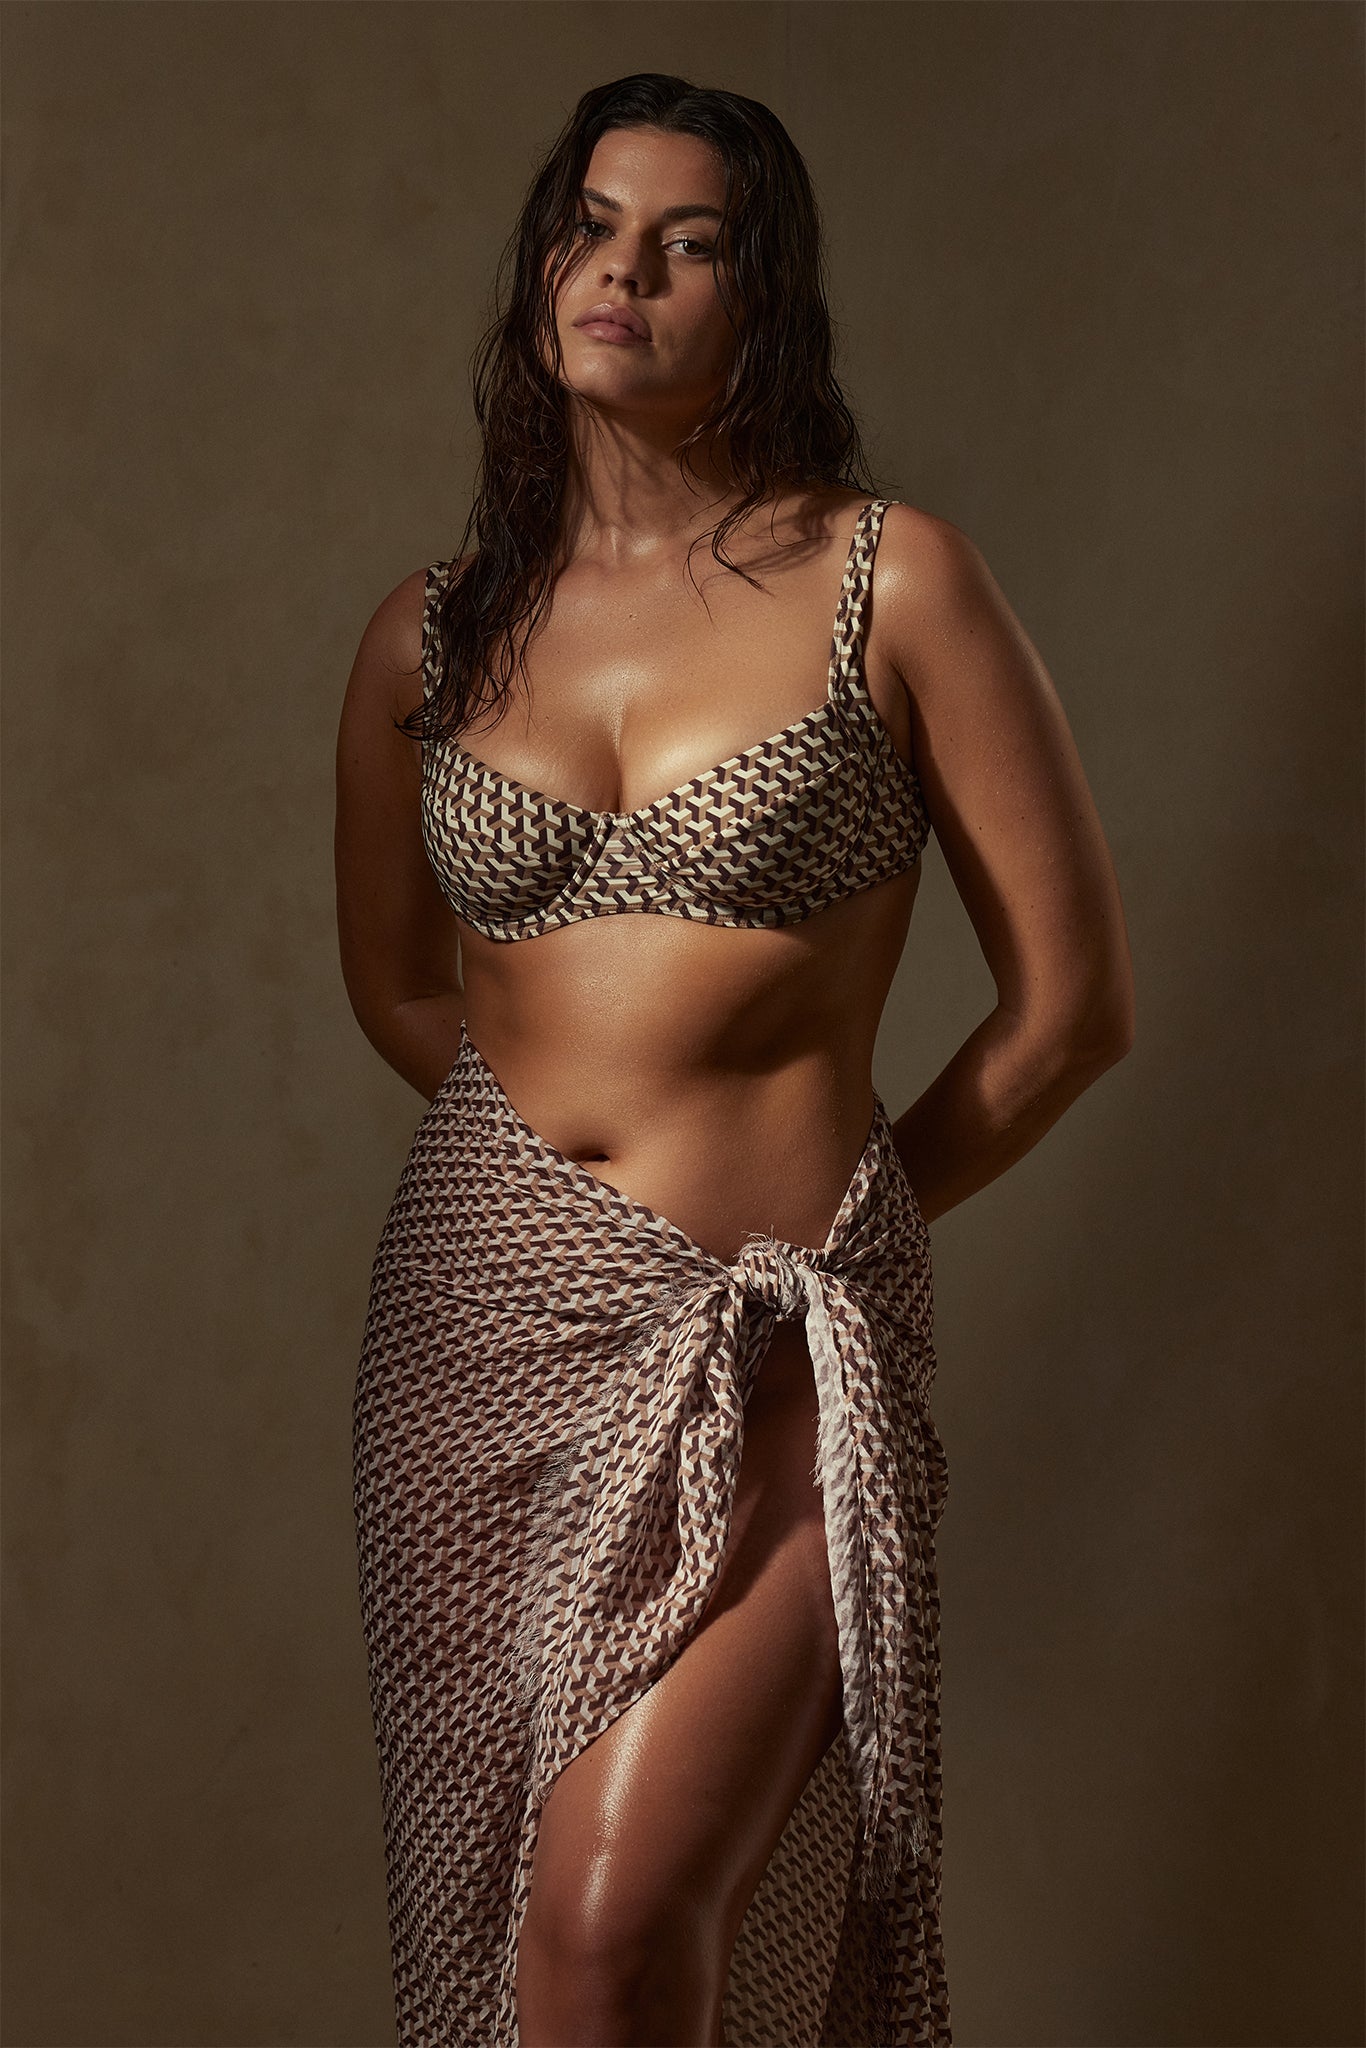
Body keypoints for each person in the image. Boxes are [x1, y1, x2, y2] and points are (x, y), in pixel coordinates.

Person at [334, 72, 1133, 2048]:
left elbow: (1067, 1012)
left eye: (688, 244)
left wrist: (818, 1234)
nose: (625, 270)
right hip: (474, 1324)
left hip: (774, 1328)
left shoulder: (890, 582)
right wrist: (566, 1203)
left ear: (756, 303)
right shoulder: (427, 638)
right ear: (542, 271)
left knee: (616, 1922)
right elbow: (400, 990)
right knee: (499, 1916)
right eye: (590, 225)